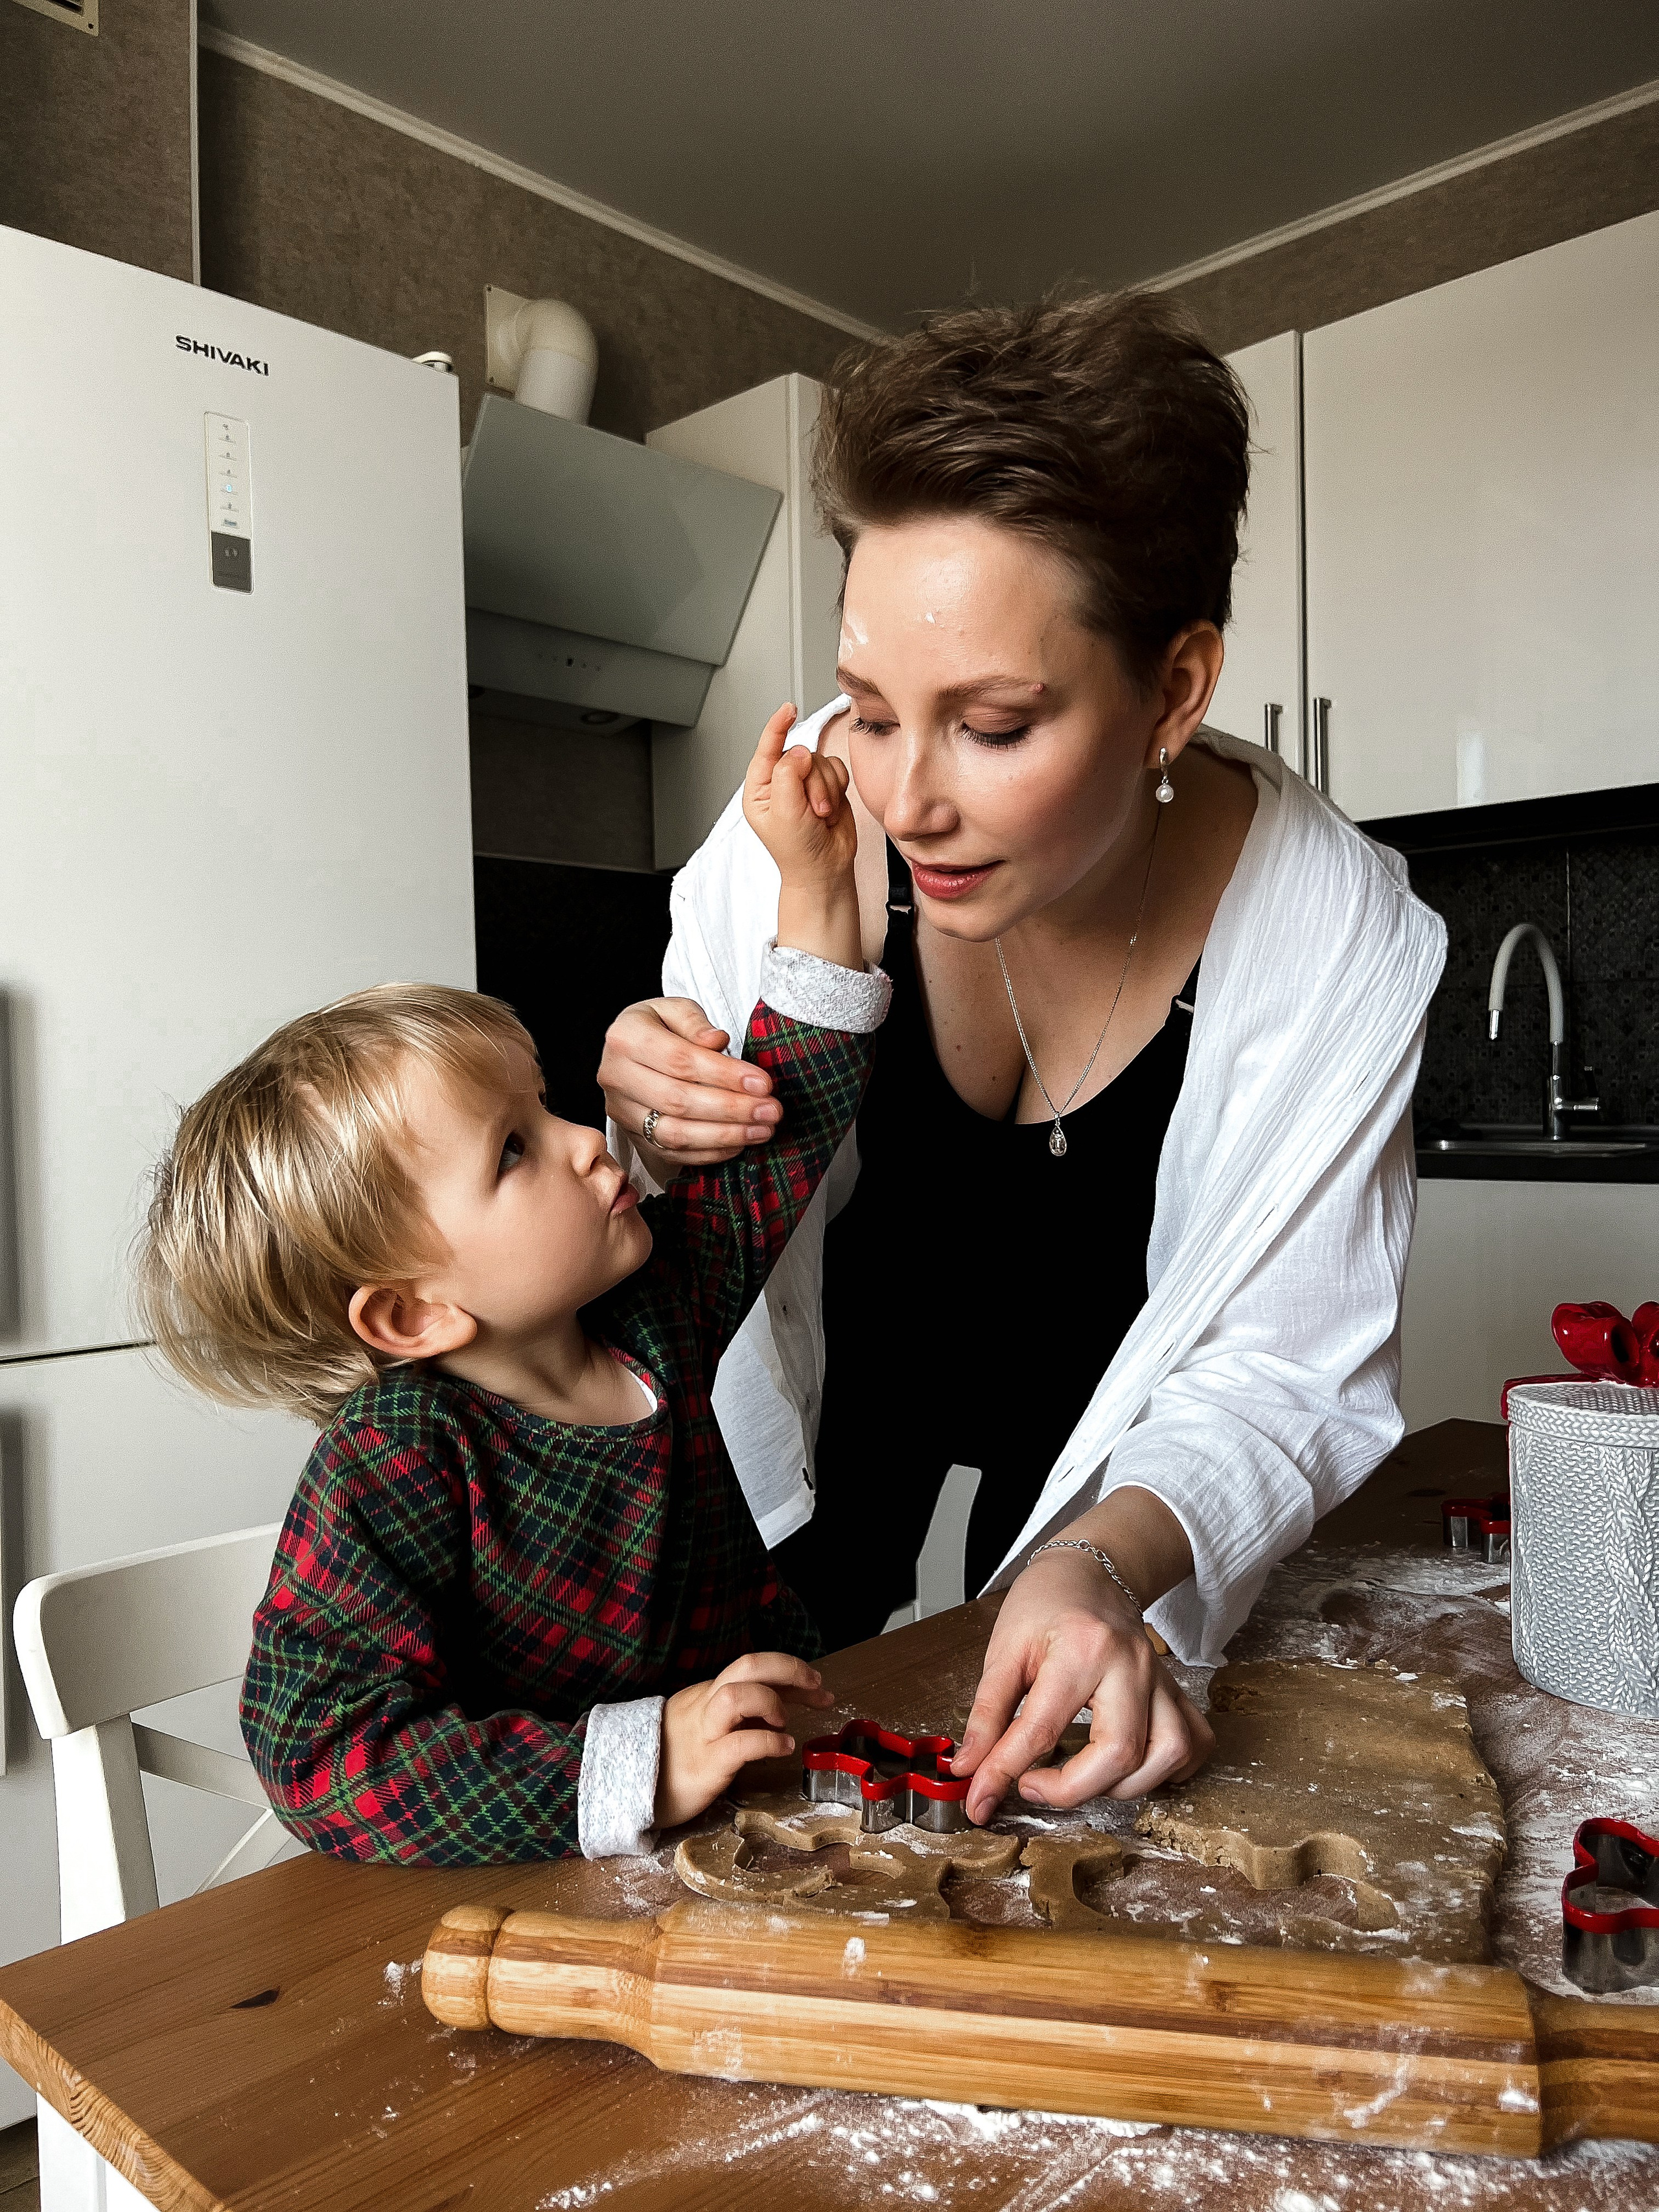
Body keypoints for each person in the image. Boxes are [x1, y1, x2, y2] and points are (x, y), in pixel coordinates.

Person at [600, 290, 1447, 1827]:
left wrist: (1094, 1561)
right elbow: (687, 1234)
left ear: (1173, 694)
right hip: (849, 1365)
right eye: (868, 710)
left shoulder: (1333, 938)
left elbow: (1279, 1367)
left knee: (1036, 1714)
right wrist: (646, 1102)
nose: (905, 799)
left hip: (1103, 1395)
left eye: (991, 724)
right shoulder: (791, 845)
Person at [133, 714, 888, 1865]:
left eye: (545, 1108)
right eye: (515, 1152)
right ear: (413, 1313)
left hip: (734, 1847)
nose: (592, 1141)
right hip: (529, 1894)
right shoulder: (400, 1457)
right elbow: (320, 1754)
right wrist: (641, 1760)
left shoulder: (655, 1313)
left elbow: (790, 1124)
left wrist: (818, 879)